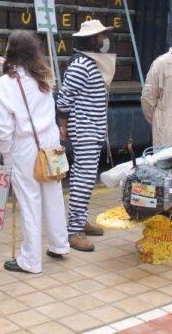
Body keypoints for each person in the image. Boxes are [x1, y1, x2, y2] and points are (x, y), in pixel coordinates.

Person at [0, 31, 70, 273]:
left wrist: (6, 153)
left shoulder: (6, 83)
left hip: (25, 148)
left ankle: (30, 260)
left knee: (29, 201)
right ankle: (59, 245)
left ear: (11, 50)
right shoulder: (45, 74)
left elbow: (3, 126)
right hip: (51, 145)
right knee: (53, 194)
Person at [56, 19, 115, 252]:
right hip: (86, 128)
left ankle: (80, 220)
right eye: (101, 36)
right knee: (83, 177)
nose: (104, 40)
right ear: (92, 40)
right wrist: (64, 127)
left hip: (92, 127)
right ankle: (74, 230)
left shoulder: (90, 62)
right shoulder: (82, 64)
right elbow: (64, 100)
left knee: (87, 177)